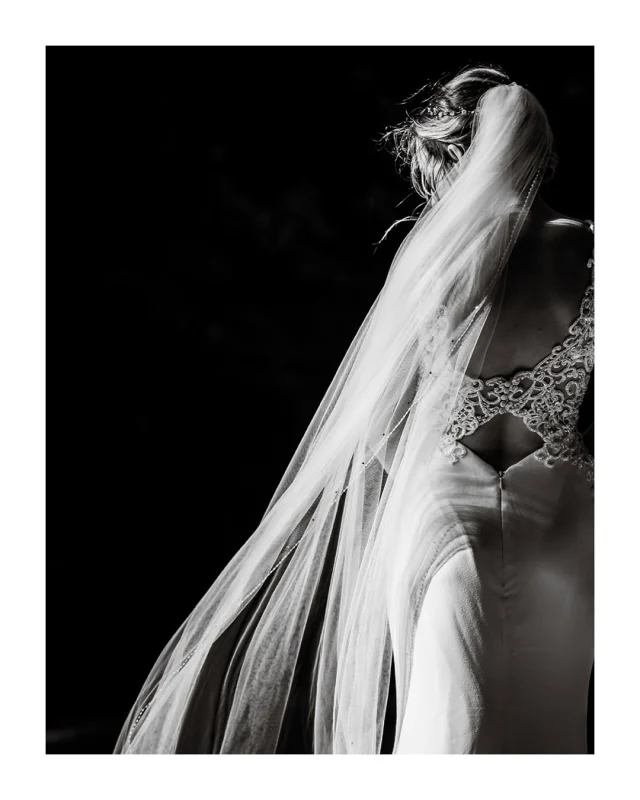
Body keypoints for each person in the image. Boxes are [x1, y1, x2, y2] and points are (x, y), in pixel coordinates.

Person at [114, 65, 594, 755]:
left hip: (444, 522)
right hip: (570, 530)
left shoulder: (434, 257)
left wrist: (442, 475)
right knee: (555, 732)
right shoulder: (593, 250)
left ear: (454, 153)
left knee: (450, 728)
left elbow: (380, 423)